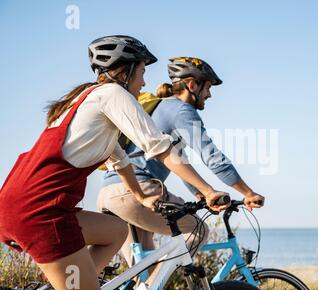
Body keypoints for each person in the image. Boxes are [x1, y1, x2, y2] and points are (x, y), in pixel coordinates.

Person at [0, 37, 229, 290]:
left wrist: (142, 196)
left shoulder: (88, 100)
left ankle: (65, 287)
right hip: (40, 212)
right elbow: (159, 147)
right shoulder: (113, 94)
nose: (144, 82)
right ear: (124, 72)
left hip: (21, 205)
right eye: (142, 72)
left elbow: (119, 159)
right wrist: (208, 190)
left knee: (116, 231)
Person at [97, 56, 264, 268]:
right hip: (136, 192)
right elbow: (212, 157)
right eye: (208, 87)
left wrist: (202, 195)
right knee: (198, 230)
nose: (209, 94)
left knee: (145, 274)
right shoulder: (182, 111)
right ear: (192, 84)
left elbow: (178, 161)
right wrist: (248, 193)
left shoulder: (161, 108)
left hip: (109, 193)